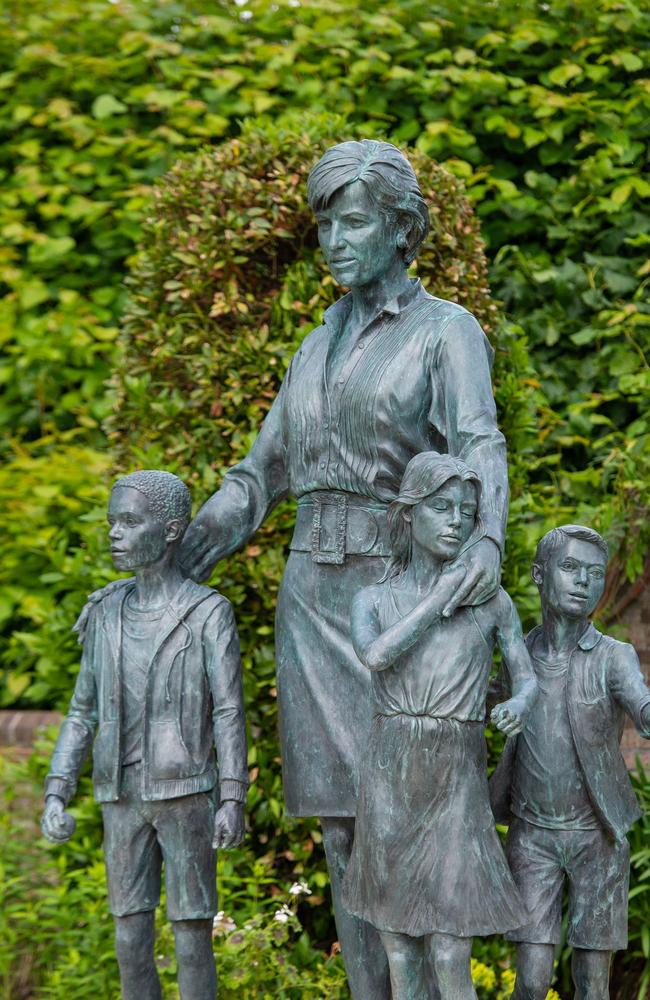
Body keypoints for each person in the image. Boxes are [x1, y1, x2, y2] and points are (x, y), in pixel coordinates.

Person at [75, 140, 509, 999]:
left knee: (403, 820)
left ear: (402, 228)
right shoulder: (314, 349)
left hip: (397, 591)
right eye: (325, 225)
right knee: (344, 830)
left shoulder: (445, 332)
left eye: (354, 223)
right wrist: (175, 563)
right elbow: (256, 478)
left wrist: (488, 543)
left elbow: (480, 443)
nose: (335, 242)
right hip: (313, 599)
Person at [41, 471, 248, 1000]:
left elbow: (228, 712)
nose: (114, 533)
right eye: (113, 522)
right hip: (120, 794)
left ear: (173, 529)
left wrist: (231, 797)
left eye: (130, 522)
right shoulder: (106, 612)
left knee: (190, 937)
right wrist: (57, 789)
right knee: (129, 935)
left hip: (184, 795)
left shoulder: (207, 614)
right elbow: (82, 711)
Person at [340, 452, 536, 1000]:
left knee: (451, 948)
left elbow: (525, 678)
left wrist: (519, 705)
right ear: (408, 514)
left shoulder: (491, 603)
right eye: (441, 507)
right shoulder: (373, 599)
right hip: (390, 770)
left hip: (455, 775)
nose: (456, 521)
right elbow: (377, 655)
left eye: (468, 513)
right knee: (399, 947)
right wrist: (441, 597)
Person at [490, 524, 650, 1000]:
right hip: (532, 835)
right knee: (533, 979)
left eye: (595, 573)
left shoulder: (613, 658)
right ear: (540, 576)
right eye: (570, 568)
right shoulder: (519, 656)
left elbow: (640, 702)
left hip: (596, 836)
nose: (584, 581)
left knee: (593, 984)